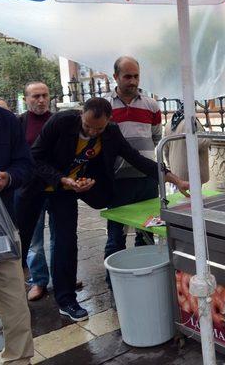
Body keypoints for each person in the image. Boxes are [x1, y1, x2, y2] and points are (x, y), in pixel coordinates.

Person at [20, 97, 189, 321]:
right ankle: (13, 291)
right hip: (37, 185)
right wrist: (61, 179)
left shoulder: (110, 132)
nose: (91, 132)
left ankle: (66, 299)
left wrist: (176, 180)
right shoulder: (60, 122)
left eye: (97, 128)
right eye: (87, 125)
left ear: (109, 121)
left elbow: (136, 159)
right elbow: (35, 156)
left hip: (67, 191)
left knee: (66, 241)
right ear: (81, 114)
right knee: (23, 240)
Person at [0, 61, 35, 364]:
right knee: (0, 292)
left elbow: (25, 165)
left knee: (13, 298)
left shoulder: (6, 121)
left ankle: (19, 360)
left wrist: (8, 178)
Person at [103, 56, 163, 284]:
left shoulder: (151, 105)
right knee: (116, 235)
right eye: (127, 76)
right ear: (115, 76)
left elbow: (156, 137)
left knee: (147, 233)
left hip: (147, 179)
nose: (133, 81)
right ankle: (115, 284)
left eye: (136, 76)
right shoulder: (104, 105)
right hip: (117, 180)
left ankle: (144, 279)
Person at [16, 81, 55, 301]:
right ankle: (39, 281)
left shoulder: (57, 120)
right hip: (30, 189)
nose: (41, 100)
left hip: (57, 187)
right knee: (34, 239)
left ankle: (61, 277)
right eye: (35, 96)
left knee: (61, 237)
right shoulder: (19, 123)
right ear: (26, 99)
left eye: (44, 95)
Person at [163, 105, 211, 185]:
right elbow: (199, 143)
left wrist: (169, 166)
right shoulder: (191, 123)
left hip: (176, 171)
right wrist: (210, 136)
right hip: (191, 171)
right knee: (193, 195)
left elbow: (166, 150)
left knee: (179, 196)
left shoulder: (170, 123)